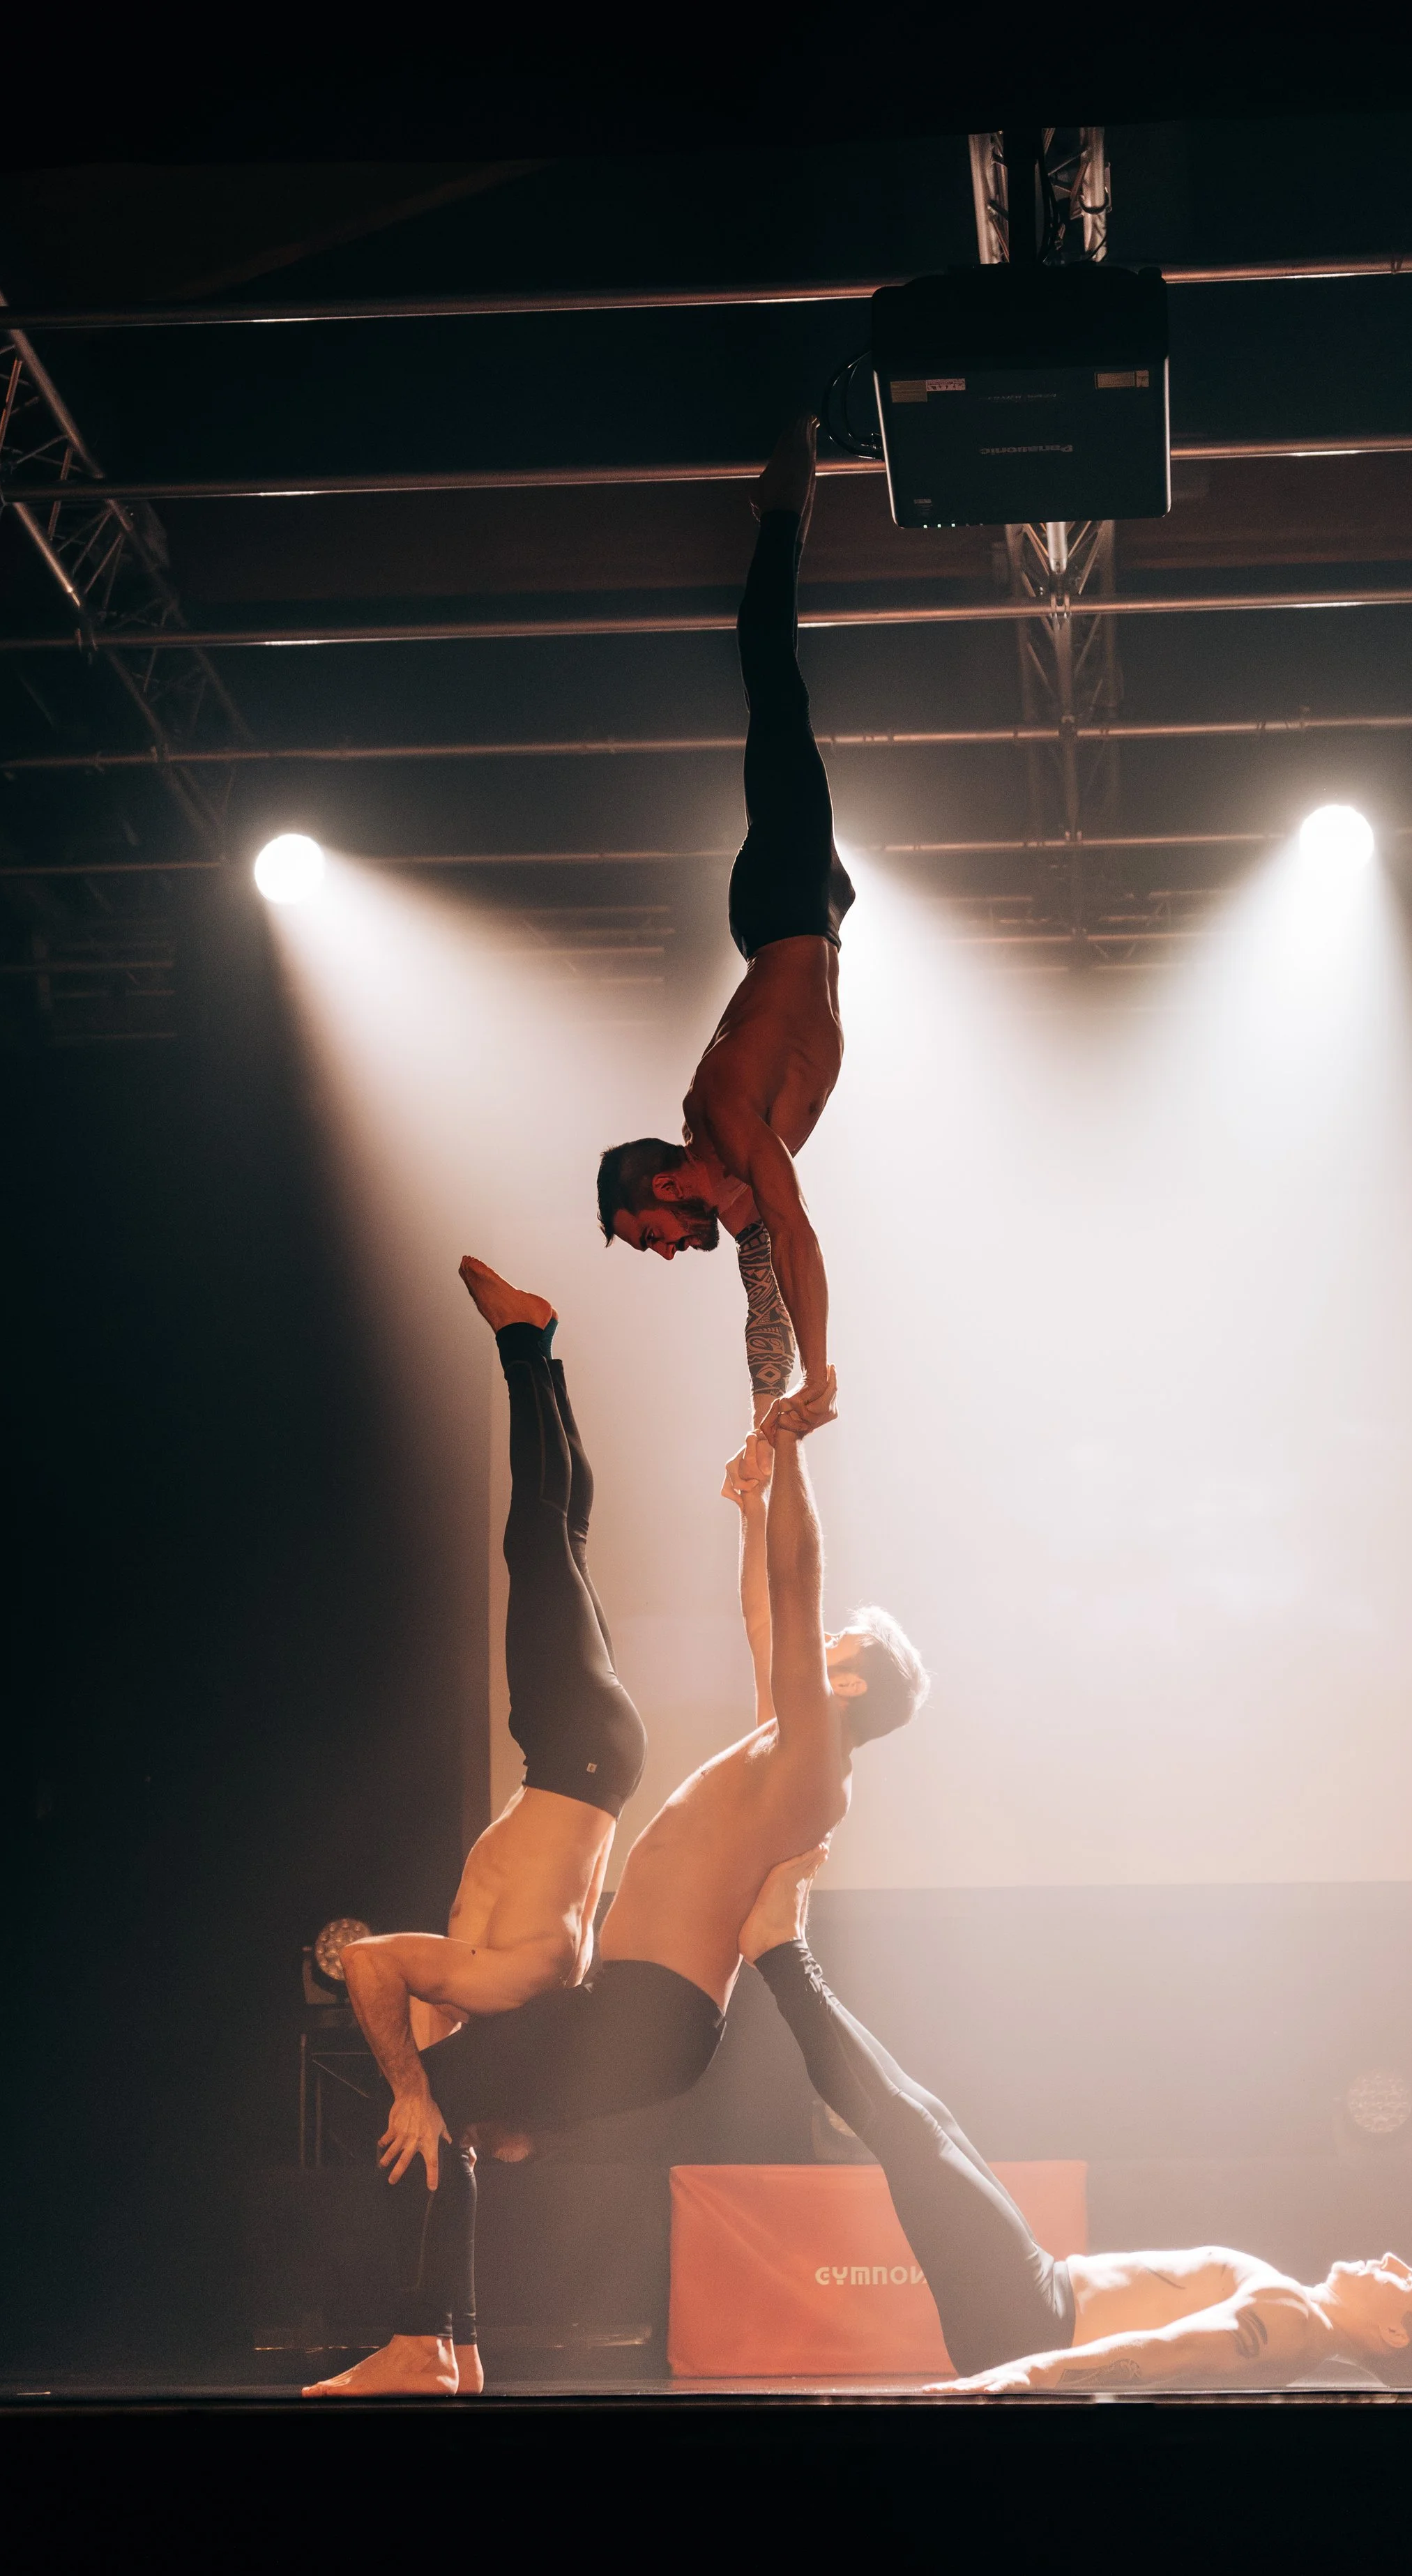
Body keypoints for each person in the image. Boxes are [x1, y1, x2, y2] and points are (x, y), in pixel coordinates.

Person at [305, 1310, 927, 2398]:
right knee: (458, 2108)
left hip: (651, 2013)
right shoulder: (786, 1744)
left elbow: (796, 1594)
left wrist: (787, 1452)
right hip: (636, 2010)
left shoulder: (815, 1771)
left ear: (851, 1679)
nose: (814, 1644)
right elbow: (766, 1620)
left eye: (835, 1646)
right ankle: (453, 2346)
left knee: (422, 2092)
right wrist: (749, 1512)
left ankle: (425, 2340)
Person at [739, 1853, 1412, 2395]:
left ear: (1393, 2333)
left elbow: (1162, 2354)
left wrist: (1023, 2375)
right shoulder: (1296, 2320)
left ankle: (779, 1950)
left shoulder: (1291, 2323)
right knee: (923, 2122)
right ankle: (782, 1950)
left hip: (1031, 2318)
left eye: (1411, 2282)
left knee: (911, 2132)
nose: (1394, 2259)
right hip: (1034, 2301)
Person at [596, 413, 851, 1436]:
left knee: (770, 676)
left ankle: (785, 494)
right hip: (800, 919)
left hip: (786, 897)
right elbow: (764, 1286)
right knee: (772, 688)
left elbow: (796, 1232)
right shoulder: (726, 1169)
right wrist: (770, 1413)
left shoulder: (723, 1114)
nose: (666, 1252)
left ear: (667, 1182)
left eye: (651, 1232)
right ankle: (784, 503)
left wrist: (824, 1377)